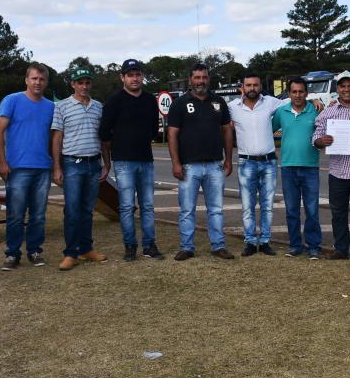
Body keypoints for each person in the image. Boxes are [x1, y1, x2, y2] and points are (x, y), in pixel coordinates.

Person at [167, 63, 235, 260]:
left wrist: (229, 159)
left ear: (208, 79)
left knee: (216, 210)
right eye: (197, 78)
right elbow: (172, 134)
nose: (201, 81)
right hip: (189, 166)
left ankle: (218, 246)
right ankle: (187, 247)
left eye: (204, 77)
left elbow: (227, 131)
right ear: (190, 80)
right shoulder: (180, 103)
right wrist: (176, 163)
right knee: (187, 210)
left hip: (215, 165)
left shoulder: (218, 102)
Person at [99, 59, 162, 261]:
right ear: (122, 77)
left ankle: (149, 245)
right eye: (130, 75)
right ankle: (130, 246)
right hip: (124, 162)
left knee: (148, 205)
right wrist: (117, 148)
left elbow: (154, 129)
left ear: (142, 76)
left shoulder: (150, 100)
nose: (134, 78)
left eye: (137, 74)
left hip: (146, 160)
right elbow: (104, 132)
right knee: (126, 206)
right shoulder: (114, 101)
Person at [0, 62, 55, 270]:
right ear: (26, 80)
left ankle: (35, 250)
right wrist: (2, 162)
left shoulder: (51, 107)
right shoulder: (12, 100)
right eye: (34, 78)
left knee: (38, 214)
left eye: (42, 79)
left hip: (43, 168)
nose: (38, 82)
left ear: (46, 82)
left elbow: (54, 138)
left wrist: (56, 165)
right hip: (17, 167)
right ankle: (12, 253)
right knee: (15, 214)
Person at [51, 68, 110, 271]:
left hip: (94, 163)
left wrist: (107, 162)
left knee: (87, 209)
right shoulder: (62, 106)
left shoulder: (98, 107)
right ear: (73, 84)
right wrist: (56, 167)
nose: (84, 86)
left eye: (87, 82)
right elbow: (57, 138)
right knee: (72, 210)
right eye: (80, 82)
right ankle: (70, 253)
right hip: (72, 164)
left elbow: (103, 137)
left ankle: (86, 248)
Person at [312, 71, 350, 263]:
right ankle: (341, 249)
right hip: (338, 172)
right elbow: (316, 135)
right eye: (343, 86)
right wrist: (321, 141)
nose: (347, 89)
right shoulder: (328, 112)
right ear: (337, 89)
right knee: (338, 214)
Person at [228, 73, 284, 257]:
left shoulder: (270, 102)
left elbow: (293, 101)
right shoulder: (232, 107)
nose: (252, 88)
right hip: (246, 163)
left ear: (260, 86)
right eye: (248, 85)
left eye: (255, 85)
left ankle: (265, 241)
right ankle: (250, 242)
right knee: (247, 206)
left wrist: (314, 101)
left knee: (267, 205)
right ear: (242, 87)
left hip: (269, 162)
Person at [272, 77, 322, 260]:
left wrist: (320, 102)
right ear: (289, 93)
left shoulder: (315, 110)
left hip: (310, 167)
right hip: (288, 168)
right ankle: (295, 245)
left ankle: (313, 246)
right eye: (294, 92)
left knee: (312, 210)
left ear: (306, 93)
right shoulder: (281, 112)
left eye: (301, 91)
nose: (298, 95)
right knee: (292, 210)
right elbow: (268, 130)